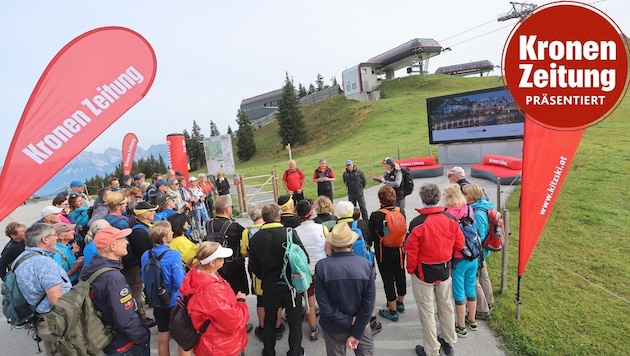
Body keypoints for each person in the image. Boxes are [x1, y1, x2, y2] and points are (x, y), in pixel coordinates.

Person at [405, 183, 464, 356]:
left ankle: (432, 350)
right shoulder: (450, 219)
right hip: (444, 270)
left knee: (427, 311)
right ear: (438, 198)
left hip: (423, 273)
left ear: (423, 199)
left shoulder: (417, 223)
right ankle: (449, 340)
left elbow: (411, 251)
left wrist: (410, 270)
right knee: (446, 306)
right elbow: (460, 244)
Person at [81, 226, 151, 356]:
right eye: (122, 239)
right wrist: (142, 336)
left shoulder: (92, 269)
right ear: (113, 246)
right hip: (124, 344)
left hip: (109, 339)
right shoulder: (113, 278)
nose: (127, 242)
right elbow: (125, 317)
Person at [248, 203, 307, 356]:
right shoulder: (289, 233)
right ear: (278, 216)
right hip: (291, 285)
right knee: (295, 322)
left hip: (269, 285)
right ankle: (295, 351)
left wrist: (264, 276)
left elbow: (253, 266)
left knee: (269, 320)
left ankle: (269, 351)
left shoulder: (255, 238)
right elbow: (303, 258)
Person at [315, 222, 376, 356]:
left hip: (333, 326)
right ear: (351, 243)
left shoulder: (322, 267)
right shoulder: (365, 264)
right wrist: (357, 328)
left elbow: (324, 306)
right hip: (361, 324)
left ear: (331, 244)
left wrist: (347, 320)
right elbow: (368, 303)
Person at [179, 241, 249, 356]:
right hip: (220, 346)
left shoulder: (198, 273)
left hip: (208, 341)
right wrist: (241, 301)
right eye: (221, 258)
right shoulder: (211, 290)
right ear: (212, 263)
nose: (224, 260)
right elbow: (232, 321)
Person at [13, 223, 72, 356]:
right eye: (54, 235)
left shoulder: (20, 259)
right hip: (54, 320)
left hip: (39, 318)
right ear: (45, 239)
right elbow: (56, 300)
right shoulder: (43, 263)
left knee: (51, 350)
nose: (57, 237)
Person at [334, 201, 382, 335]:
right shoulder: (361, 225)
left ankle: (348, 319)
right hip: (363, 264)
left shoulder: (335, 227)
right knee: (369, 292)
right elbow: (370, 241)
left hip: (342, 266)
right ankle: (372, 319)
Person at [140, 221, 186, 356]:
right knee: (182, 339)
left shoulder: (145, 255)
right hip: (175, 301)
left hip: (158, 302)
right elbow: (179, 282)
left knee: (163, 335)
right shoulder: (173, 255)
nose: (172, 233)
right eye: (170, 231)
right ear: (164, 238)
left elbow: (144, 278)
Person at [443, 183, 478, 337]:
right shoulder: (469, 209)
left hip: (458, 257)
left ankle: (461, 325)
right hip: (473, 255)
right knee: (470, 287)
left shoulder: (448, 215)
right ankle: (472, 319)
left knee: (458, 291)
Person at [368, 186, 407, 322]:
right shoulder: (400, 211)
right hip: (400, 249)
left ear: (381, 199)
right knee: (400, 274)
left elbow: (371, 235)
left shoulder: (376, 215)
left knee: (388, 279)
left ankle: (392, 309)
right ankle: (400, 302)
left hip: (383, 252)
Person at [295, 199, 328, 341]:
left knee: (309, 302)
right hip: (323, 268)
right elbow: (328, 248)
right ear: (311, 212)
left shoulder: (294, 232)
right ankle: (330, 324)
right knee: (327, 298)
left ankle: (313, 329)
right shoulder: (322, 228)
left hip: (306, 272)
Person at [205, 197, 249, 302]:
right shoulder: (234, 226)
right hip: (234, 267)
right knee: (238, 295)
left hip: (215, 265)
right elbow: (246, 235)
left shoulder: (209, 224)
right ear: (228, 209)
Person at [462, 183, 495, 322]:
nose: (463, 196)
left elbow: (479, 237)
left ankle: (482, 310)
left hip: (477, 252)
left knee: (473, 281)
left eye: (465, 194)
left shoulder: (478, 213)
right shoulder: (483, 206)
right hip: (482, 252)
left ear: (472, 197)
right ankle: (488, 301)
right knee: (483, 277)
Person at [123, 201, 158, 328]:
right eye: (151, 211)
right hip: (135, 268)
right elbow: (145, 252)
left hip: (138, 265)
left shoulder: (143, 226)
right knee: (136, 291)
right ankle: (142, 318)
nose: (154, 213)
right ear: (143, 215)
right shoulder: (139, 231)